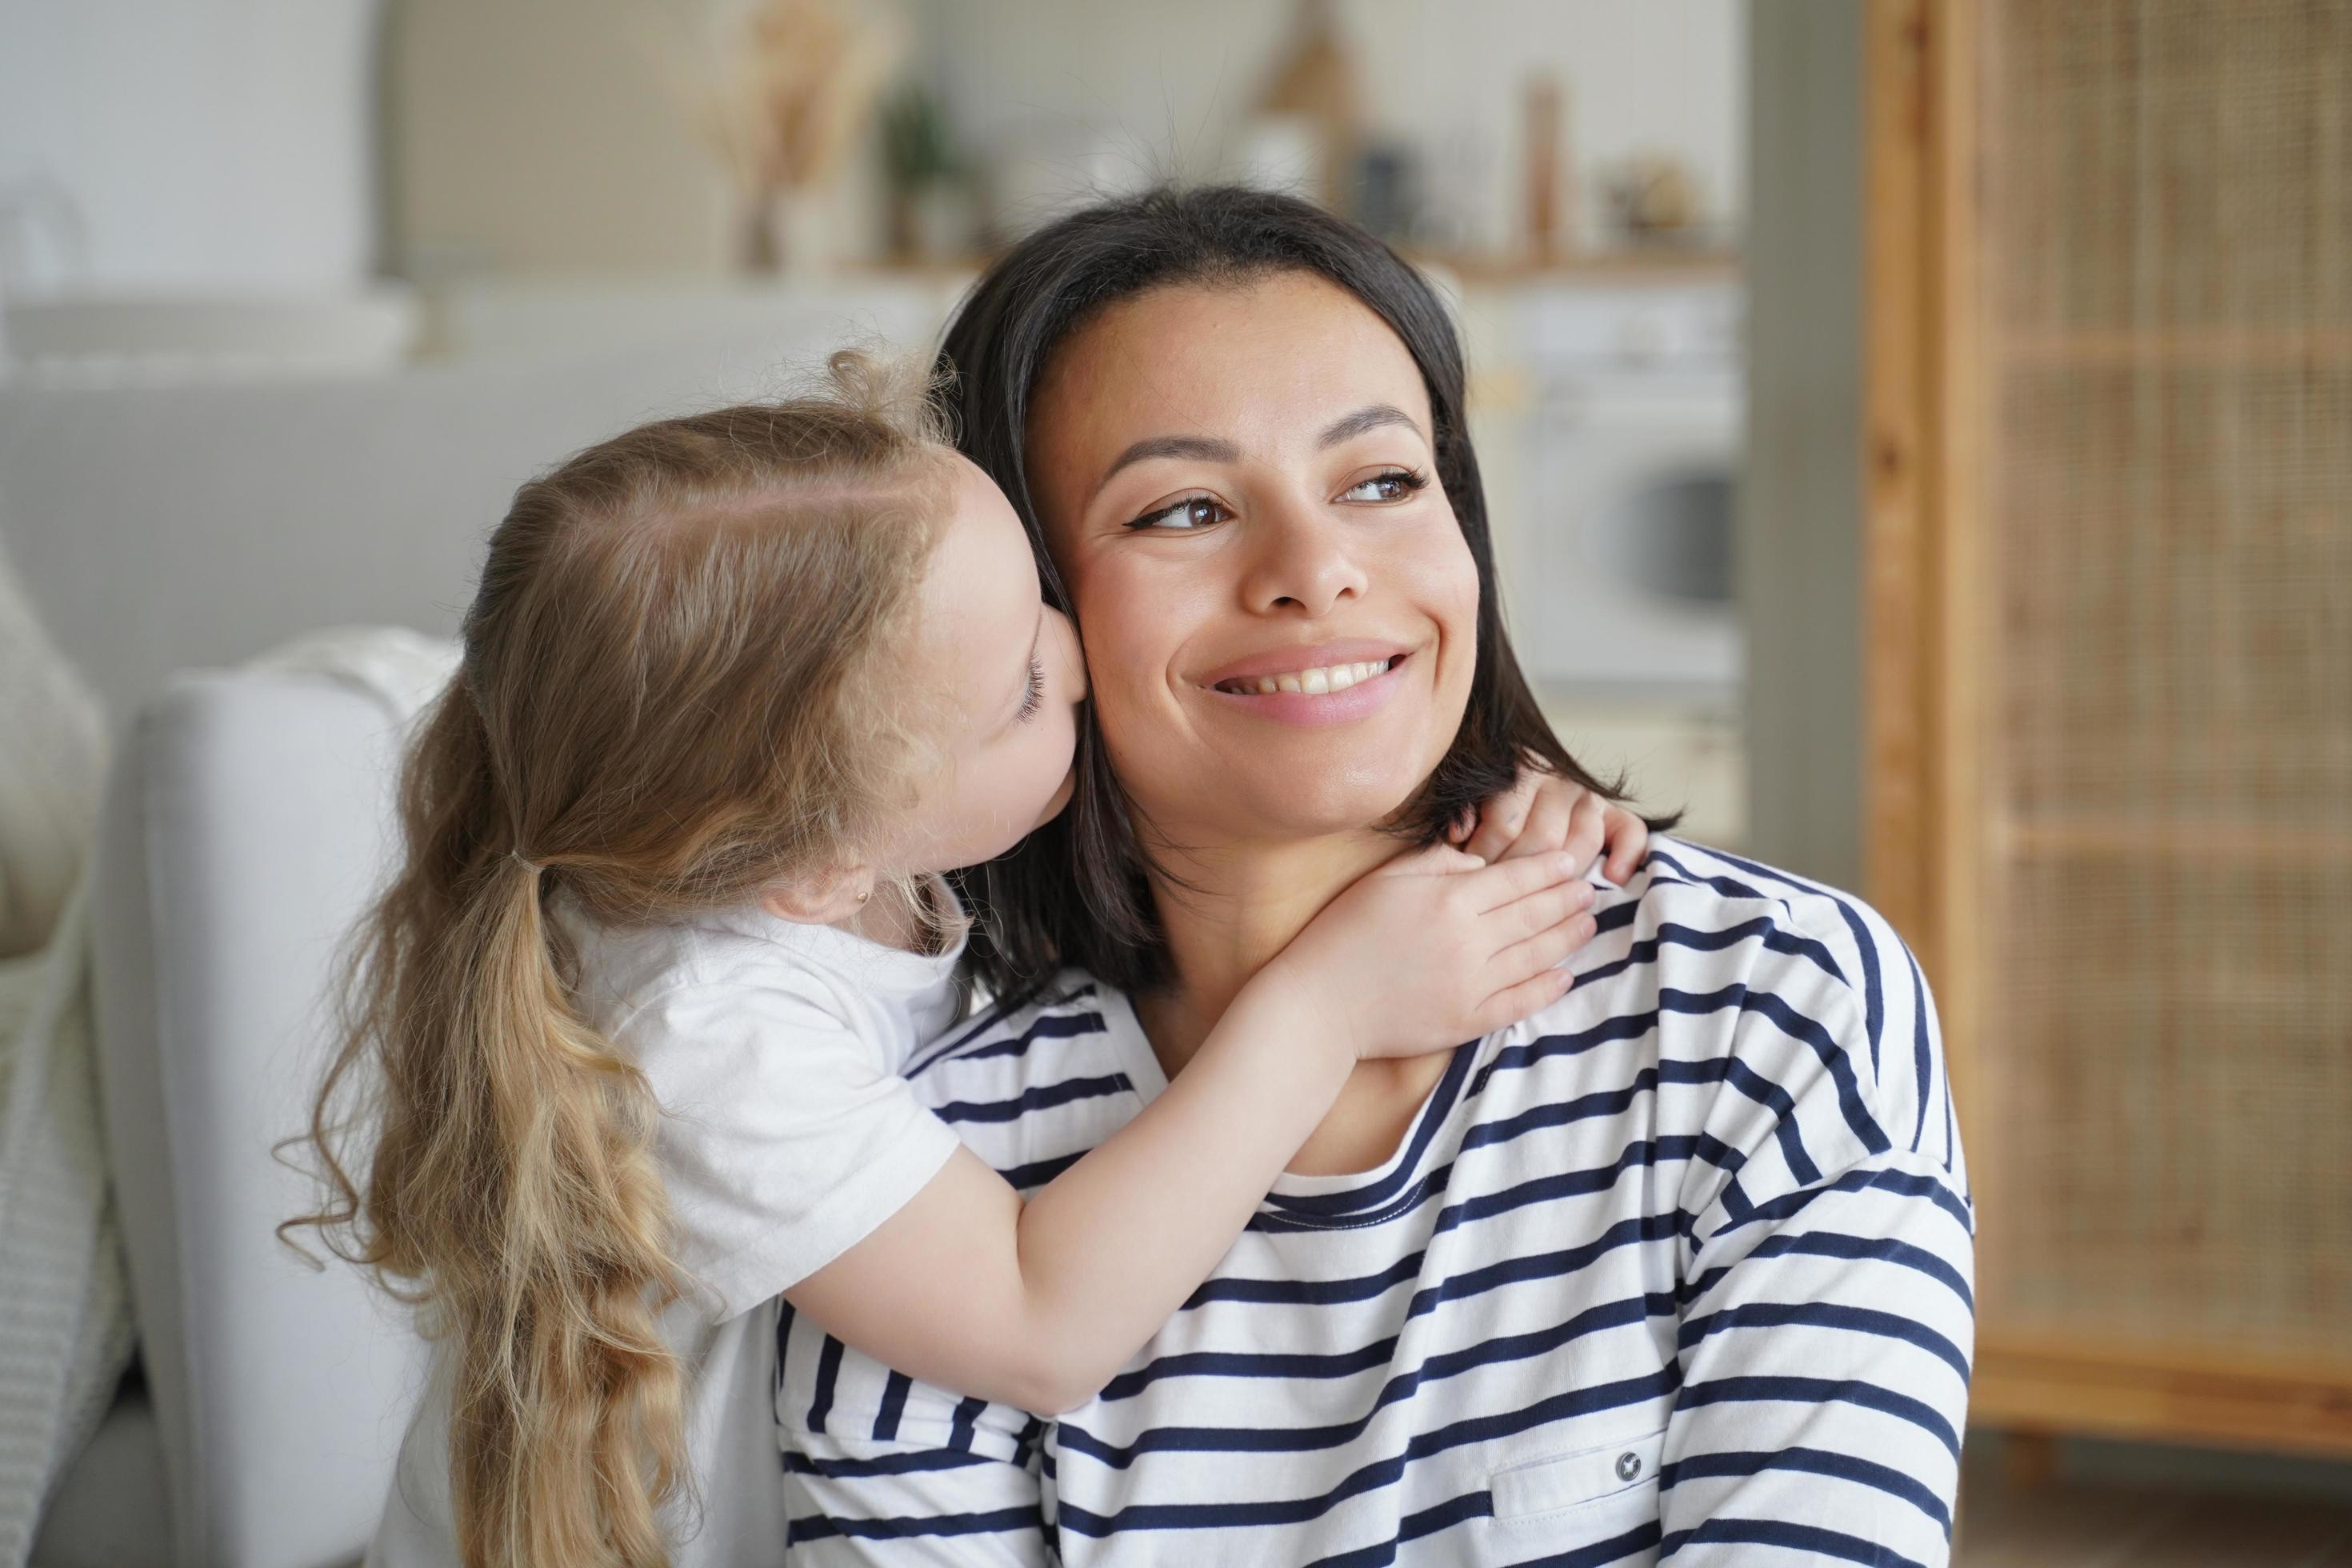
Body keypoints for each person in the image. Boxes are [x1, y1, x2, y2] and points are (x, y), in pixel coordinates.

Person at [776, 186, 1974, 1566]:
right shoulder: (931, 1192)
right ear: (1021, 615)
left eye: (1382, 481)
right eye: (1182, 510)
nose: (1316, 570)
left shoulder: (1763, 1006)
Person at [299, 353, 1650, 1566]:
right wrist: (1332, 1000)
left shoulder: (844, 834)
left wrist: (1495, 798)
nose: (1072, 657)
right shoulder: (706, 1034)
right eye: (1017, 692)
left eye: (1043, 599)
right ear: (825, 860)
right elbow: (1040, 1323)